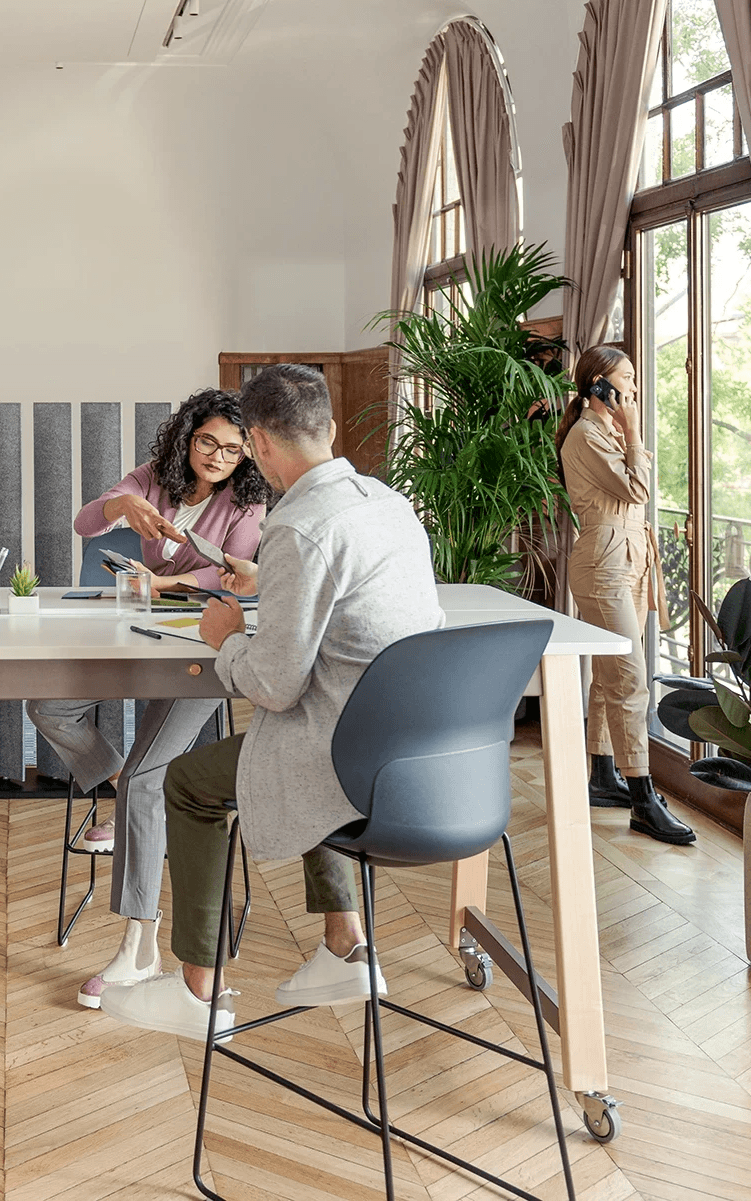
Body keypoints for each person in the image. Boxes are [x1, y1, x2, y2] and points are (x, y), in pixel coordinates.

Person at [96, 362, 444, 1040]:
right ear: (330, 428)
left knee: (188, 781)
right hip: (412, 751)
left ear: (255, 442)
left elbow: (272, 685)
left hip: (343, 756)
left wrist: (226, 638)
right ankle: (345, 942)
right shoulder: (388, 503)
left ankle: (197, 990)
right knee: (293, 738)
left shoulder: (299, 524)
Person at [27, 388, 268, 1006]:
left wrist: (165, 582)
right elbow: (86, 523)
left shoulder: (246, 501)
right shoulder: (153, 479)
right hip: (139, 634)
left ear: (247, 455)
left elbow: (232, 573)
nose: (219, 457)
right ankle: (121, 788)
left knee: (147, 781)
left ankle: (140, 949)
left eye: (234, 449)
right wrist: (122, 503)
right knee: (48, 706)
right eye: (208, 442)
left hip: (203, 647)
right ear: (188, 436)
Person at [555, 345, 695, 846]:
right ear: (600, 385)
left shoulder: (605, 430)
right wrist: (633, 431)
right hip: (605, 564)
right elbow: (637, 491)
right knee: (631, 679)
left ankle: (602, 775)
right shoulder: (586, 435)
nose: (634, 386)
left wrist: (626, 430)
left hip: (629, 559)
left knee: (608, 675)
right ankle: (643, 799)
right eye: (628, 378)